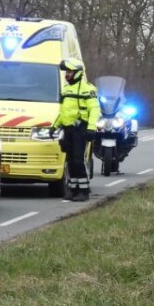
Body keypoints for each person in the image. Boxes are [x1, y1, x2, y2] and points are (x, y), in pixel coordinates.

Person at [52, 58, 99, 201]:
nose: (67, 74)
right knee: (70, 161)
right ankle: (73, 190)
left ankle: (84, 191)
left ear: (78, 73)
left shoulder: (87, 89)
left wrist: (91, 128)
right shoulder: (66, 90)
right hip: (67, 130)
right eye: (66, 72)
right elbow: (63, 113)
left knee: (78, 160)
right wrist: (54, 126)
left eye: (70, 72)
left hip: (80, 130)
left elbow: (94, 110)